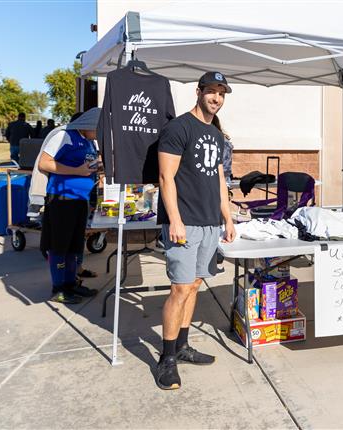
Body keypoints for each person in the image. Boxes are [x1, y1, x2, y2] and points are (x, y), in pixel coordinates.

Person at [155, 71, 236, 390]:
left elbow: (218, 179)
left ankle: (183, 346)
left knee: (195, 285)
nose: (217, 98)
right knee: (179, 287)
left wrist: (227, 219)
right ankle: (167, 359)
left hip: (210, 223)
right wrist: (174, 219)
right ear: (199, 92)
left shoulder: (216, 134)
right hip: (184, 222)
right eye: (212, 91)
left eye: (222, 93)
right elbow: (166, 177)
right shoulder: (177, 128)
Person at [38, 107, 101, 304]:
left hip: (80, 199)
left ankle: (71, 283)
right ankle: (59, 288)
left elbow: (85, 166)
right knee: (60, 246)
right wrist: (76, 170)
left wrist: (98, 168)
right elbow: (44, 163)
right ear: (89, 124)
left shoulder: (89, 142)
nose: (99, 134)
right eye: (98, 129)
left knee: (75, 246)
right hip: (62, 199)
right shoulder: (65, 136)